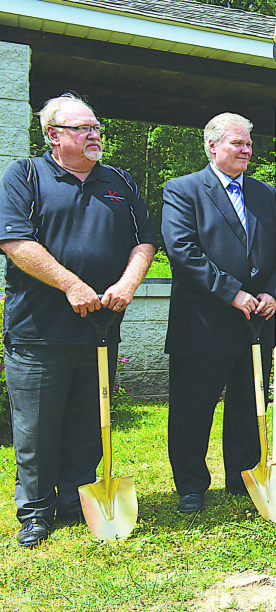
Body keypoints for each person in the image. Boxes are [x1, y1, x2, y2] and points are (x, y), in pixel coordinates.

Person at [0, 93, 156, 547]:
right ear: (54, 135)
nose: (95, 136)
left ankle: (75, 499)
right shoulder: (25, 175)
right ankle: (35, 511)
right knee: (36, 429)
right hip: (38, 332)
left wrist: (128, 284)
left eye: (96, 128)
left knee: (90, 423)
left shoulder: (120, 182)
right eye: (83, 128)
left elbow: (145, 242)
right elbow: (14, 241)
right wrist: (70, 284)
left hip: (101, 331)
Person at [162, 113, 276, 514]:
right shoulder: (183, 190)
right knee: (193, 408)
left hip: (255, 324)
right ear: (212, 146)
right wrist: (232, 293)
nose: (246, 150)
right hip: (203, 323)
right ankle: (191, 486)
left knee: (248, 402)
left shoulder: (264, 193)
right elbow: (182, 251)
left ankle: (243, 477)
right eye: (238, 143)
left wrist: (273, 293)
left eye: (249, 144)